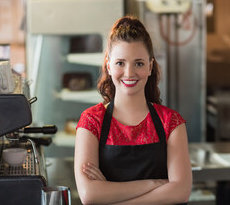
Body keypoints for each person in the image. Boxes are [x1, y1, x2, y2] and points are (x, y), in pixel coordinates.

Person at [74, 16, 192, 205]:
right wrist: (155, 183)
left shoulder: (170, 122)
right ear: (109, 65)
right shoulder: (91, 121)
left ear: (150, 66)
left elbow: (181, 192)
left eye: (139, 63)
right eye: (120, 63)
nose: (129, 73)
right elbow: (90, 195)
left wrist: (112, 196)